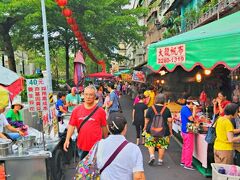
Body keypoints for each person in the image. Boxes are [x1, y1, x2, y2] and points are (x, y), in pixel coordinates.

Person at [95, 112, 145, 180]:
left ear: (108, 127)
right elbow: (138, 177)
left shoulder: (99, 145)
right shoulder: (134, 149)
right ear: (125, 127)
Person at [63, 85, 108, 160]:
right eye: (86, 94)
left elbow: (104, 127)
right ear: (83, 95)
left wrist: (106, 140)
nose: (88, 97)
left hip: (97, 147)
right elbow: (71, 125)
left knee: (96, 169)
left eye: (91, 95)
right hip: (82, 146)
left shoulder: (101, 111)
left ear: (95, 96)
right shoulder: (76, 110)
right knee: (83, 169)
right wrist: (67, 139)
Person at [143, 94, 172, 166]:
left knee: (151, 144)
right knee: (162, 145)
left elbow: (147, 119)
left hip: (151, 130)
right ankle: (160, 160)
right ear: (164, 100)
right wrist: (170, 131)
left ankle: (152, 156)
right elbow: (169, 121)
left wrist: (145, 127)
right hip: (164, 131)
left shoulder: (150, 108)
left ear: (156, 99)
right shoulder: (167, 109)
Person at [180, 98, 198, 170]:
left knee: (185, 146)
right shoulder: (186, 109)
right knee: (189, 148)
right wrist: (194, 110)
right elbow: (192, 119)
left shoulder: (184, 108)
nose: (194, 106)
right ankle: (187, 164)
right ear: (190, 103)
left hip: (185, 129)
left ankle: (184, 161)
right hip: (188, 130)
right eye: (193, 104)